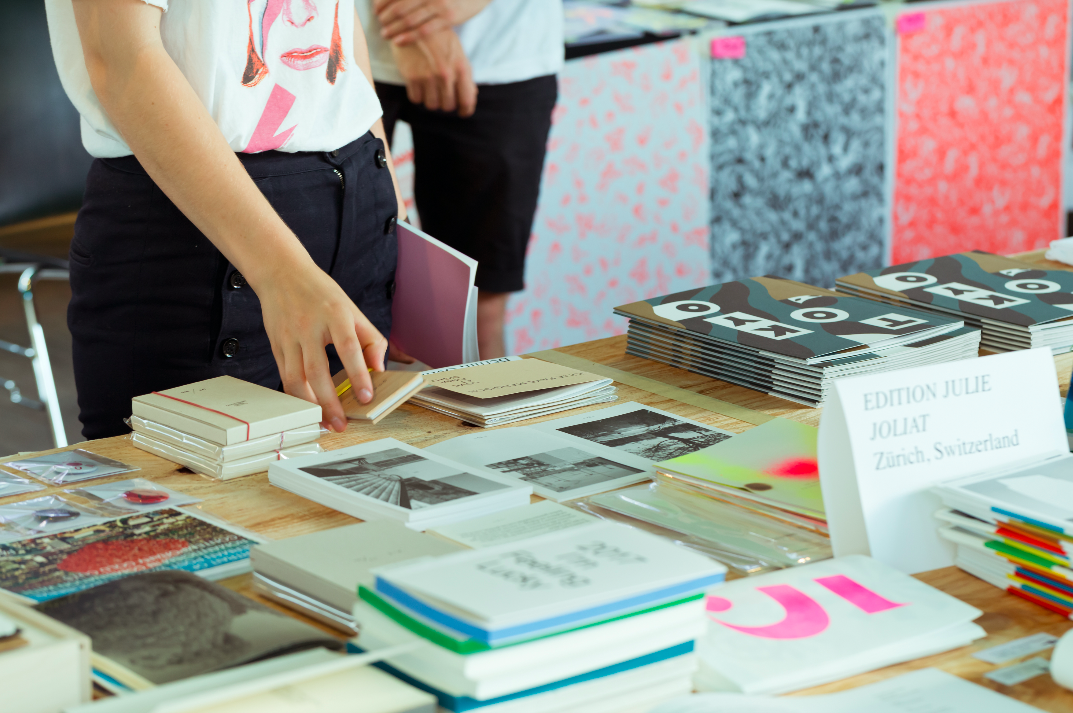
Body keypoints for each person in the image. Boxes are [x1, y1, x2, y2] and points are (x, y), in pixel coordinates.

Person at [45, 0, 405, 439]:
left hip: (361, 194)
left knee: (351, 470)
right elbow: (121, 60)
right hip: (199, 224)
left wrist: (396, 223)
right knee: (183, 478)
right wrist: (281, 272)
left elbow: (341, 24)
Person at [357, 0, 564, 358]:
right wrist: (415, 25)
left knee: (477, 315)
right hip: (339, 50)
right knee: (338, 297)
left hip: (502, 49)